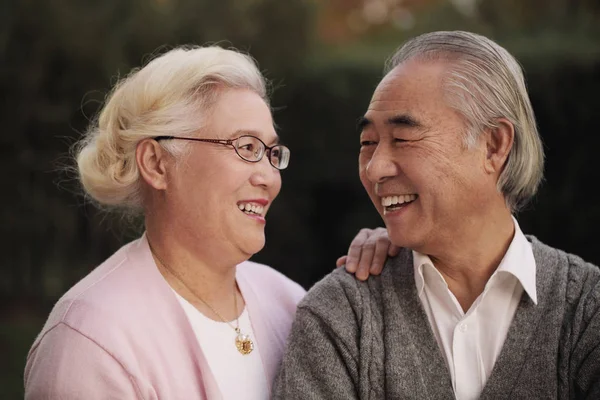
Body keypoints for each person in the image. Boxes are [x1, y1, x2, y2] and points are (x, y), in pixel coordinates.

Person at [23, 45, 395, 399]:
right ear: (156, 163)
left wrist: (401, 263)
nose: (269, 176)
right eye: (246, 147)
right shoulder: (90, 342)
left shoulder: (289, 301)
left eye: (271, 152)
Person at [273, 30, 600, 399]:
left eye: (403, 138)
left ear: (493, 146)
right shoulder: (340, 317)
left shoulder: (588, 311)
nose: (374, 168)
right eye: (367, 143)